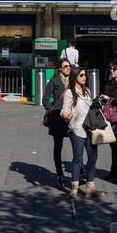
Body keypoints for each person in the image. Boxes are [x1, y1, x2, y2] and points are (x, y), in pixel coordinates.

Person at [61, 66, 104, 199]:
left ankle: (90, 189)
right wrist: (66, 115)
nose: (84, 77)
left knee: (92, 158)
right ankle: (74, 188)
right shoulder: (70, 92)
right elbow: (64, 110)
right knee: (78, 159)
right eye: (81, 75)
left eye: (85, 75)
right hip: (77, 129)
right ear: (75, 77)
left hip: (90, 129)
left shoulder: (88, 91)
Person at [42, 57, 74, 187]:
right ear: (60, 68)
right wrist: (53, 110)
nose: (68, 68)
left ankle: (80, 171)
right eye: (65, 66)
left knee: (77, 145)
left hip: (72, 118)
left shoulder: (73, 81)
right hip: (58, 118)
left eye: (69, 66)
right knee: (58, 147)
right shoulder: (54, 81)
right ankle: (60, 174)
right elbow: (45, 100)